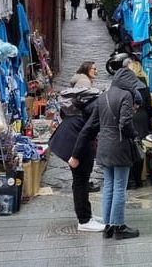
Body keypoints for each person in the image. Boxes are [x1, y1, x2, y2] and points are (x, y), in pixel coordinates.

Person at [69, 67, 145, 240]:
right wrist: (135, 135)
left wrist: (76, 152)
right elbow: (125, 123)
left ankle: (108, 226)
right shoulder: (126, 96)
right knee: (119, 186)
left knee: (109, 186)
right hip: (120, 147)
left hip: (103, 146)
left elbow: (90, 126)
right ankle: (119, 226)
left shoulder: (103, 96)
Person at [48, 88, 103, 231]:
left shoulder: (97, 103)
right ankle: (84, 220)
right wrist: (75, 156)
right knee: (80, 182)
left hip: (71, 136)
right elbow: (85, 133)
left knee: (81, 181)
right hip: (73, 141)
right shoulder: (100, 108)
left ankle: (87, 214)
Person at [123, 58, 152, 189]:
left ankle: (130, 179)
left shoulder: (126, 85)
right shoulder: (143, 86)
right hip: (141, 119)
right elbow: (148, 106)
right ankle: (138, 179)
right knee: (140, 148)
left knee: (129, 148)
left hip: (130, 117)